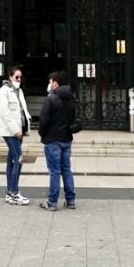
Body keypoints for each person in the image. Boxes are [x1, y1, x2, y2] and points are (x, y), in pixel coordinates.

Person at [37, 71, 77, 212]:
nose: (49, 84)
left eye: (50, 81)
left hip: (53, 140)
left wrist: (42, 134)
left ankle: (52, 202)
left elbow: (44, 120)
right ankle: (70, 200)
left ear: (55, 83)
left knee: (54, 171)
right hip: (66, 138)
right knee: (66, 169)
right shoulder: (71, 98)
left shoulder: (51, 99)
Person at [0, 66, 31, 205]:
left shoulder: (18, 91)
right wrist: (16, 130)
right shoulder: (3, 93)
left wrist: (24, 127)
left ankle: (10, 192)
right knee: (19, 159)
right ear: (10, 77)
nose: (19, 79)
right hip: (11, 132)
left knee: (12, 160)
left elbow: (22, 111)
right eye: (17, 77)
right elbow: (6, 114)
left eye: (21, 77)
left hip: (19, 130)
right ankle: (14, 192)